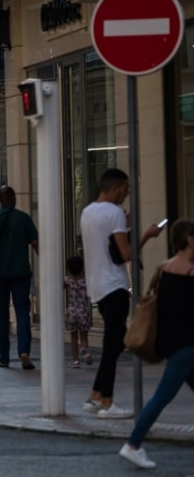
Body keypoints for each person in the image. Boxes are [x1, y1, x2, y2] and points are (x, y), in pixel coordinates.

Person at [80, 167, 162, 419]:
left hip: (97, 287)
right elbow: (125, 254)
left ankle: (95, 396)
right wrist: (147, 235)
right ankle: (107, 401)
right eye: (125, 190)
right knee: (113, 345)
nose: (126, 195)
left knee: (113, 345)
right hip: (114, 286)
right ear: (114, 188)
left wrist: (122, 227)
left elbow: (107, 245)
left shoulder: (88, 212)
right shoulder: (114, 213)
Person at [119, 218, 194, 469]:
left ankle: (133, 444)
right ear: (190, 240)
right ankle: (133, 444)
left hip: (173, 343)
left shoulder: (163, 268)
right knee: (162, 396)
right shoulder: (191, 271)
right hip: (187, 347)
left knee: (163, 395)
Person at [0, 185, 40, 369]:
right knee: (22, 312)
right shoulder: (24, 219)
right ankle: (24, 351)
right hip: (21, 272)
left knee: (2, 315)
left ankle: (4, 357)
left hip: (0, 273)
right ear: (13, 199)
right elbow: (36, 244)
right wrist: (50, 268)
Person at [64, 254, 93, 368]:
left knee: (73, 337)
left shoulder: (68, 280)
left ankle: (75, 361)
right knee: (84, 336)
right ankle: (84, 350)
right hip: (83, 310)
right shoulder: (86, 281)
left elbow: (60, 286)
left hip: (71, 311)